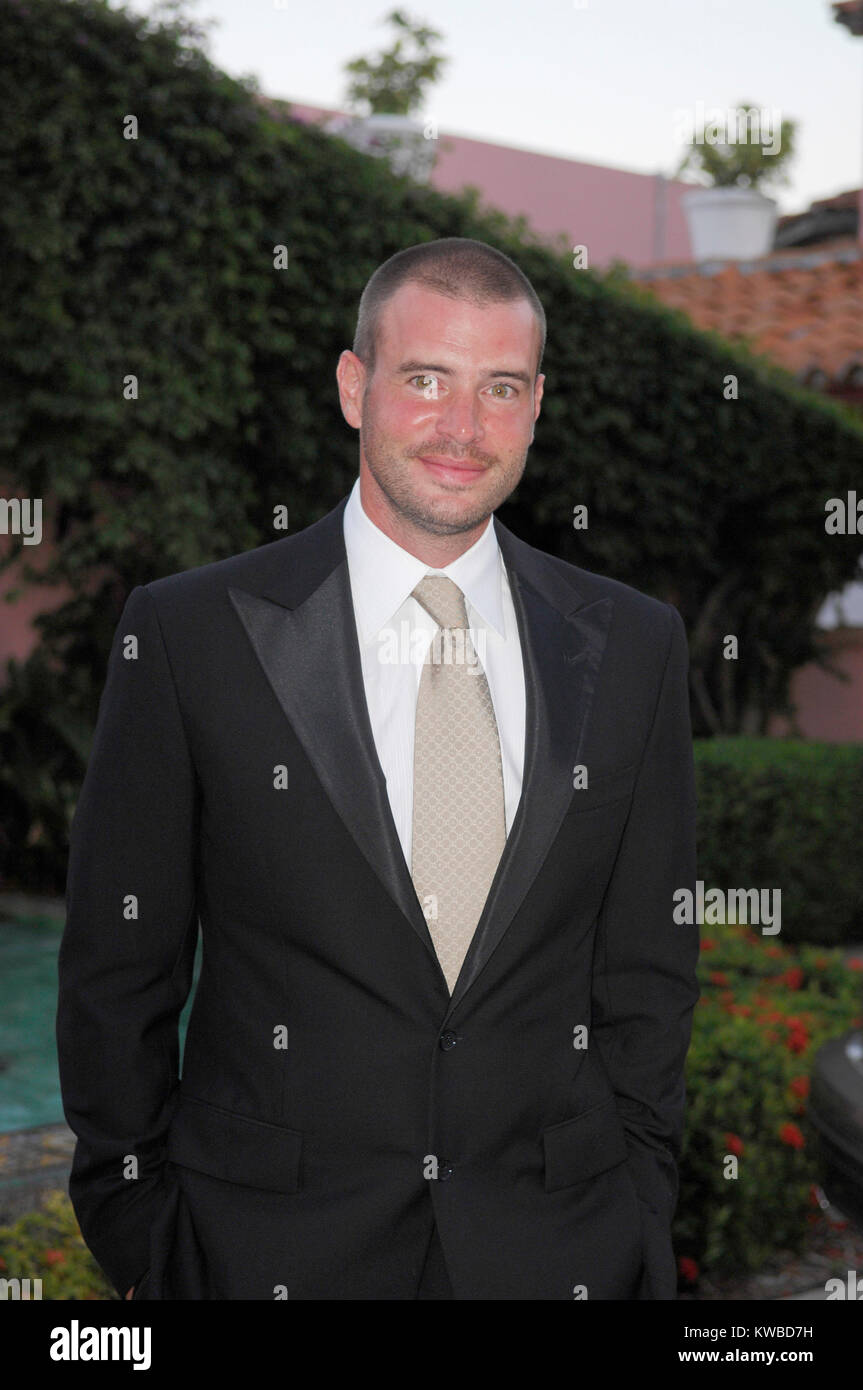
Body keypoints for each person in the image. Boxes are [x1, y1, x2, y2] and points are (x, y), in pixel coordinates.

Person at [56, 236, 699, 1301]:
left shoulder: (633, 646)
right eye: (424, 380)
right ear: (355, 387)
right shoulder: (188, 633)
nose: (462, 426)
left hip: (557, 1254)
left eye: (498, 387)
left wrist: (635, 1205)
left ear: (536, 404)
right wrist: (143, 1231)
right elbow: (118, 968)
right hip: (259, 1253)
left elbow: (646, 969)